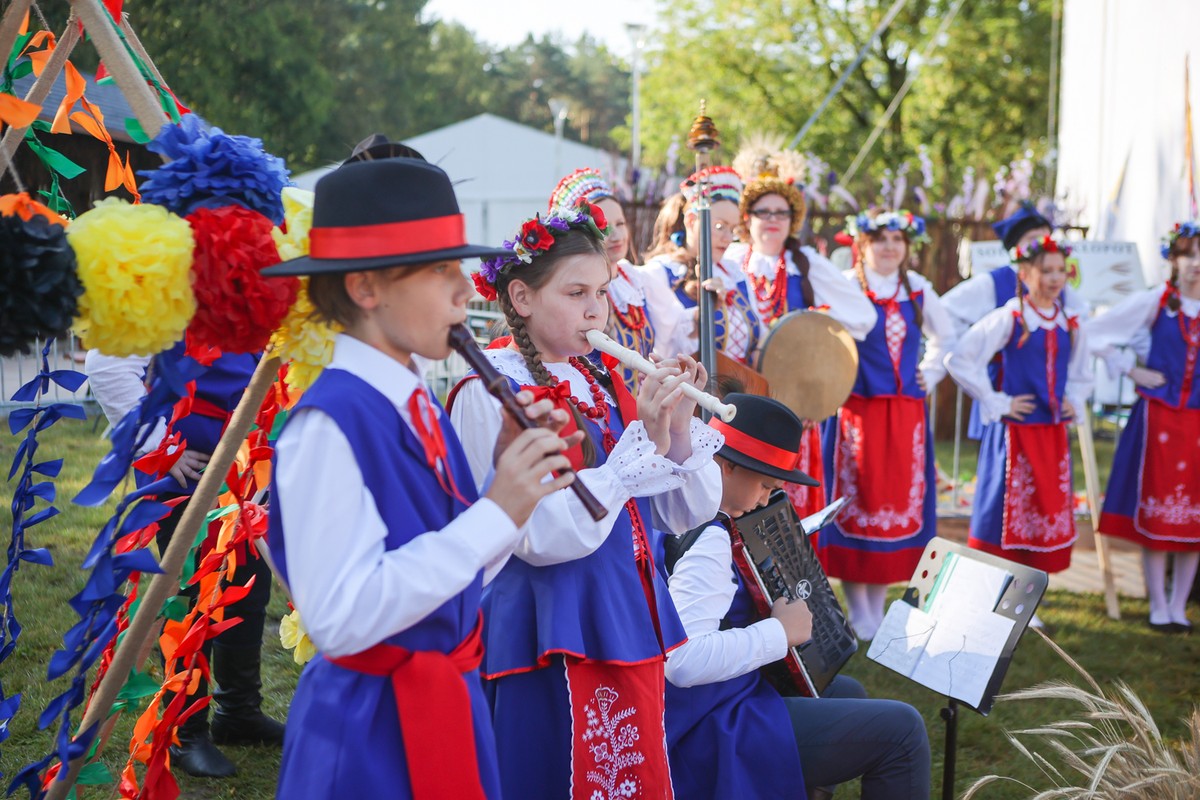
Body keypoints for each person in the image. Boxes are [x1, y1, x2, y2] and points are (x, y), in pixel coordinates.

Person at [260, 155, 578, 798]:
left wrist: (508, 496)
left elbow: (455, 574)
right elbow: (340, 619)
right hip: (371, 734)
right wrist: (495, 512)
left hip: (443, 704)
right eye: (439, 269)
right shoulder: (329, 424)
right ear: (365, 288)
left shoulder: (415, 402)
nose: (466, 290)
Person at [449, 199, 723, 799]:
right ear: (521, 297)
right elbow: (534, 536)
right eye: (576, 293)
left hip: (623, 615)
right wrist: (635, 451)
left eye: (601, 291)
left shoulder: (600, 376)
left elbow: (680, 514)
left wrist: (676, 431)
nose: (596, 308)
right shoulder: (488, 388)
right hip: (547, 627)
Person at [663, 393, 931, 800]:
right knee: (903, 731)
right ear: (726, 465)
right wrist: (778, 632)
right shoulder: (709, 539)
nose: (765, 500)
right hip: (710, 725)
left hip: (720, 698)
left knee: (846, 691)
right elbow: (682, 661)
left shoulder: (683, 508)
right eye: (765, 486)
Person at [86, 343, 283, 778]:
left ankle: (238, 712)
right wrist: (159, 444)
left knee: (247, 587)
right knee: (193, 599)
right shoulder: (166, 296)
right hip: (191, 471)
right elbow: (106, 363)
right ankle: (183, 733)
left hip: (248, 464)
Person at [814, 210, 955, 641]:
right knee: (859, 503)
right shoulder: (846, 287)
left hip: (905, 417)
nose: (890, 247)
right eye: (880, 239)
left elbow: (947, 337)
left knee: (892, 505)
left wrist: (929, 372)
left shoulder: (918, 290)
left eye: (897, 239)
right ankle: (858, 608)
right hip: (858, 413)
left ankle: (876, 606)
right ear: (862, 244)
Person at [724, 147, 876, 521]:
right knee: (737, 500)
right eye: (763, 212)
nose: (772, 220)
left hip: (791, 409)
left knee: (783, 507)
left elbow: (863, 317)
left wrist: (811, 330)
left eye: (781, 213)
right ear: (747, 217)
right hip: (737, 400)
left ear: (793, 220)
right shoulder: (729, 262)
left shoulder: (807, 265)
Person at [946, 236, 1093, 590]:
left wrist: (1074, 399)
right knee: (1005, 514)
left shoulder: (1070, 321)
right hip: (1014, 436)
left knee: (1042, 510)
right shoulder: (1010, 316)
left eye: (1060, 270)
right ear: (1024, 273)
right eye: (1046, 271)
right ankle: (994, 592)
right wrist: (997, 401)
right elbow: (961, 359)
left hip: (1051, 434)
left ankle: (1027, 595)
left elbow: (1081, 372)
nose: (1055, 278)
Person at [1086, 221, 1200, 633]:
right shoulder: (1155, 302)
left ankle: (1179, 605)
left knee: (1194, 518)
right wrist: (1130, 369)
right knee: (1158, 513)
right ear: (1174, 259)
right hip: (1159, 419)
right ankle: (1158, 604)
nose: (1196, 263)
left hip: (1197, 422)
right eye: (1188, 254)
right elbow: (1093, 332)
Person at [941, 203, 1088, 439]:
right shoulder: (993, 283)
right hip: (1007, 388)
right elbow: (945, 312)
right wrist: (978, 346)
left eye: (1046, 237)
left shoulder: (1060, 290)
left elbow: (1083, 330)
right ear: (1016, 247)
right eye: (1033, 239)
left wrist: (1074, 395)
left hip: (1047, 393)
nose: (1042, 243)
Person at [639, 168, 764, 366]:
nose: (728, 238)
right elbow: (663, 351)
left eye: (733, 229)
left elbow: (759, 338)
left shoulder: (734, 273)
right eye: (720, 226)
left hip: (743, 383)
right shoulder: (659, 273)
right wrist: (701, 315)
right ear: (691, 221)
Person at [549, 168, 657, 393]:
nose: (616, 235)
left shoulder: (636, 280)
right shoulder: (570, 292)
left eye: (620, 223)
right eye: (604, 226)